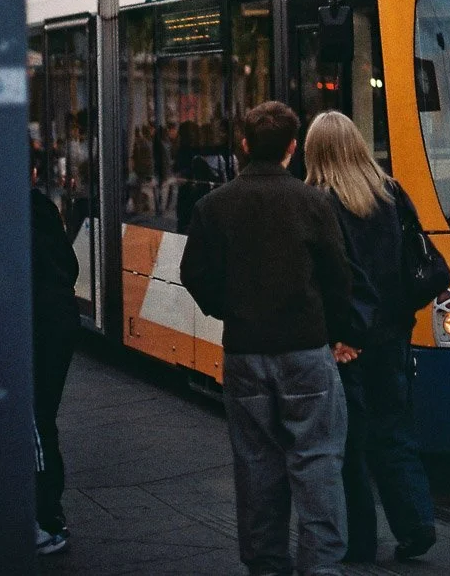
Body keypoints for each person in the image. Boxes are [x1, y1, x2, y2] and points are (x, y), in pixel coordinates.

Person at [180, 100, 353, 576]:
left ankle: (265, 563)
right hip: (306, 350)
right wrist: (338, 332)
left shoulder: (213, 206)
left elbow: (194, 274)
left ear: (243, 146)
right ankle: (320, 566)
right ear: (292, 149)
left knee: (256, 465)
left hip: (245, 352)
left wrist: (228, 309)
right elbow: (339, 278)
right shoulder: (313, 203)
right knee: (317, 461)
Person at [305, 111, 436, 565]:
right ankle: (417, 523)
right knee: (396, 430)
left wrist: (338, 333)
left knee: (349, 444)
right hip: (393, 332)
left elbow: (325, 276)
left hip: (347, 341)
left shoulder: (317, 200)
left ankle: (359, 541)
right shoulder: (391, 192)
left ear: (313, 150)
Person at [31, 158, 81, 556]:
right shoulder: (42, 207)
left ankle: (46, 517)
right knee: (44, 418)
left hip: (37, 323)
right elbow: (70, 263)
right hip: (60, 320)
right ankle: (51, 513)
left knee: (35, 422)